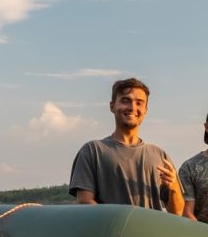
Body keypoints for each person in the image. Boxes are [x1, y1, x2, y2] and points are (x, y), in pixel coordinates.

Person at [69, 77, 184, 214]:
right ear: (112, 106)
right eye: (125, 100)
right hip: (112, 234)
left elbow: (177, 213)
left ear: (145, 110)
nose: (132, 107)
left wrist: (174, 188)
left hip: (152, 234)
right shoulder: (92, 151)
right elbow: (84, 202)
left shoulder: (160, 155)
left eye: (139, 103)